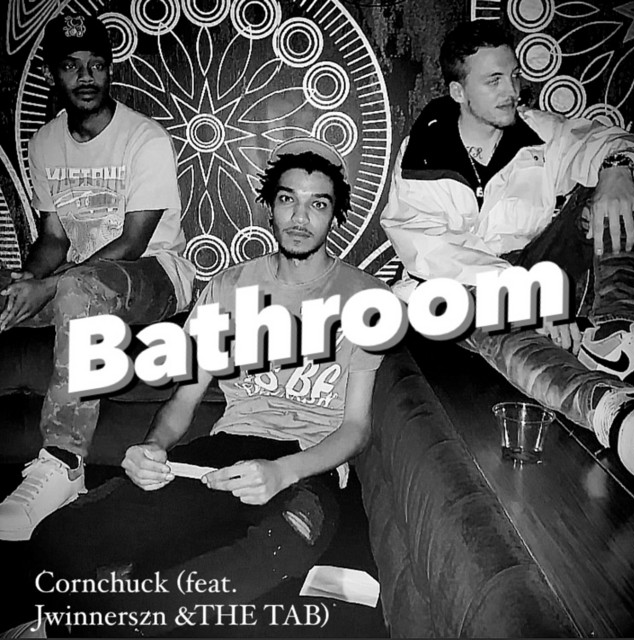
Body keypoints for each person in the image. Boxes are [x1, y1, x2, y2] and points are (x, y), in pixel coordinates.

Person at [5, 137, 387, 637]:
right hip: (220, 456)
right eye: (287, 199)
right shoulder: (228, 289)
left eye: (318, 204)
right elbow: (184, 398)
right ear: (270, 208)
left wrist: (281, 472)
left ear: (334, 217)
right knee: (58, 538)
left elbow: (356, 429)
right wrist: (152, 448)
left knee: (271, 552)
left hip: (307, 468)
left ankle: (89, 626)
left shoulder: (365, 298)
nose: (300, 216)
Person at [381, 21, 634, 478]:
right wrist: (524, 292)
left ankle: (617, 334)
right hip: (460, 289)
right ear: (458, 92)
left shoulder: (537, 132)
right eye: (494, 80)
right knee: (489, 315)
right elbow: (430, 252)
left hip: (541, 267)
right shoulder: (422, 153)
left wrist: (617, 169)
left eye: (514, 75)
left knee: (614, 197)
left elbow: (599, 142)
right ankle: (608, 408)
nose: (512, 91)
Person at [0, 14, 195, 540]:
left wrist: (52, 284)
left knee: (77, 289)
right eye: (71, 66)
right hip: (80, 281)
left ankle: (65, 463)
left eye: (96, 65)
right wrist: (27, 280)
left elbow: (132, 243)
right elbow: (53, 239)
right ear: (52, 74)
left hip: (155, 275)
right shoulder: (44, 143)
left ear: (109, 71)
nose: (86, 77)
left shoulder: (144, 138)